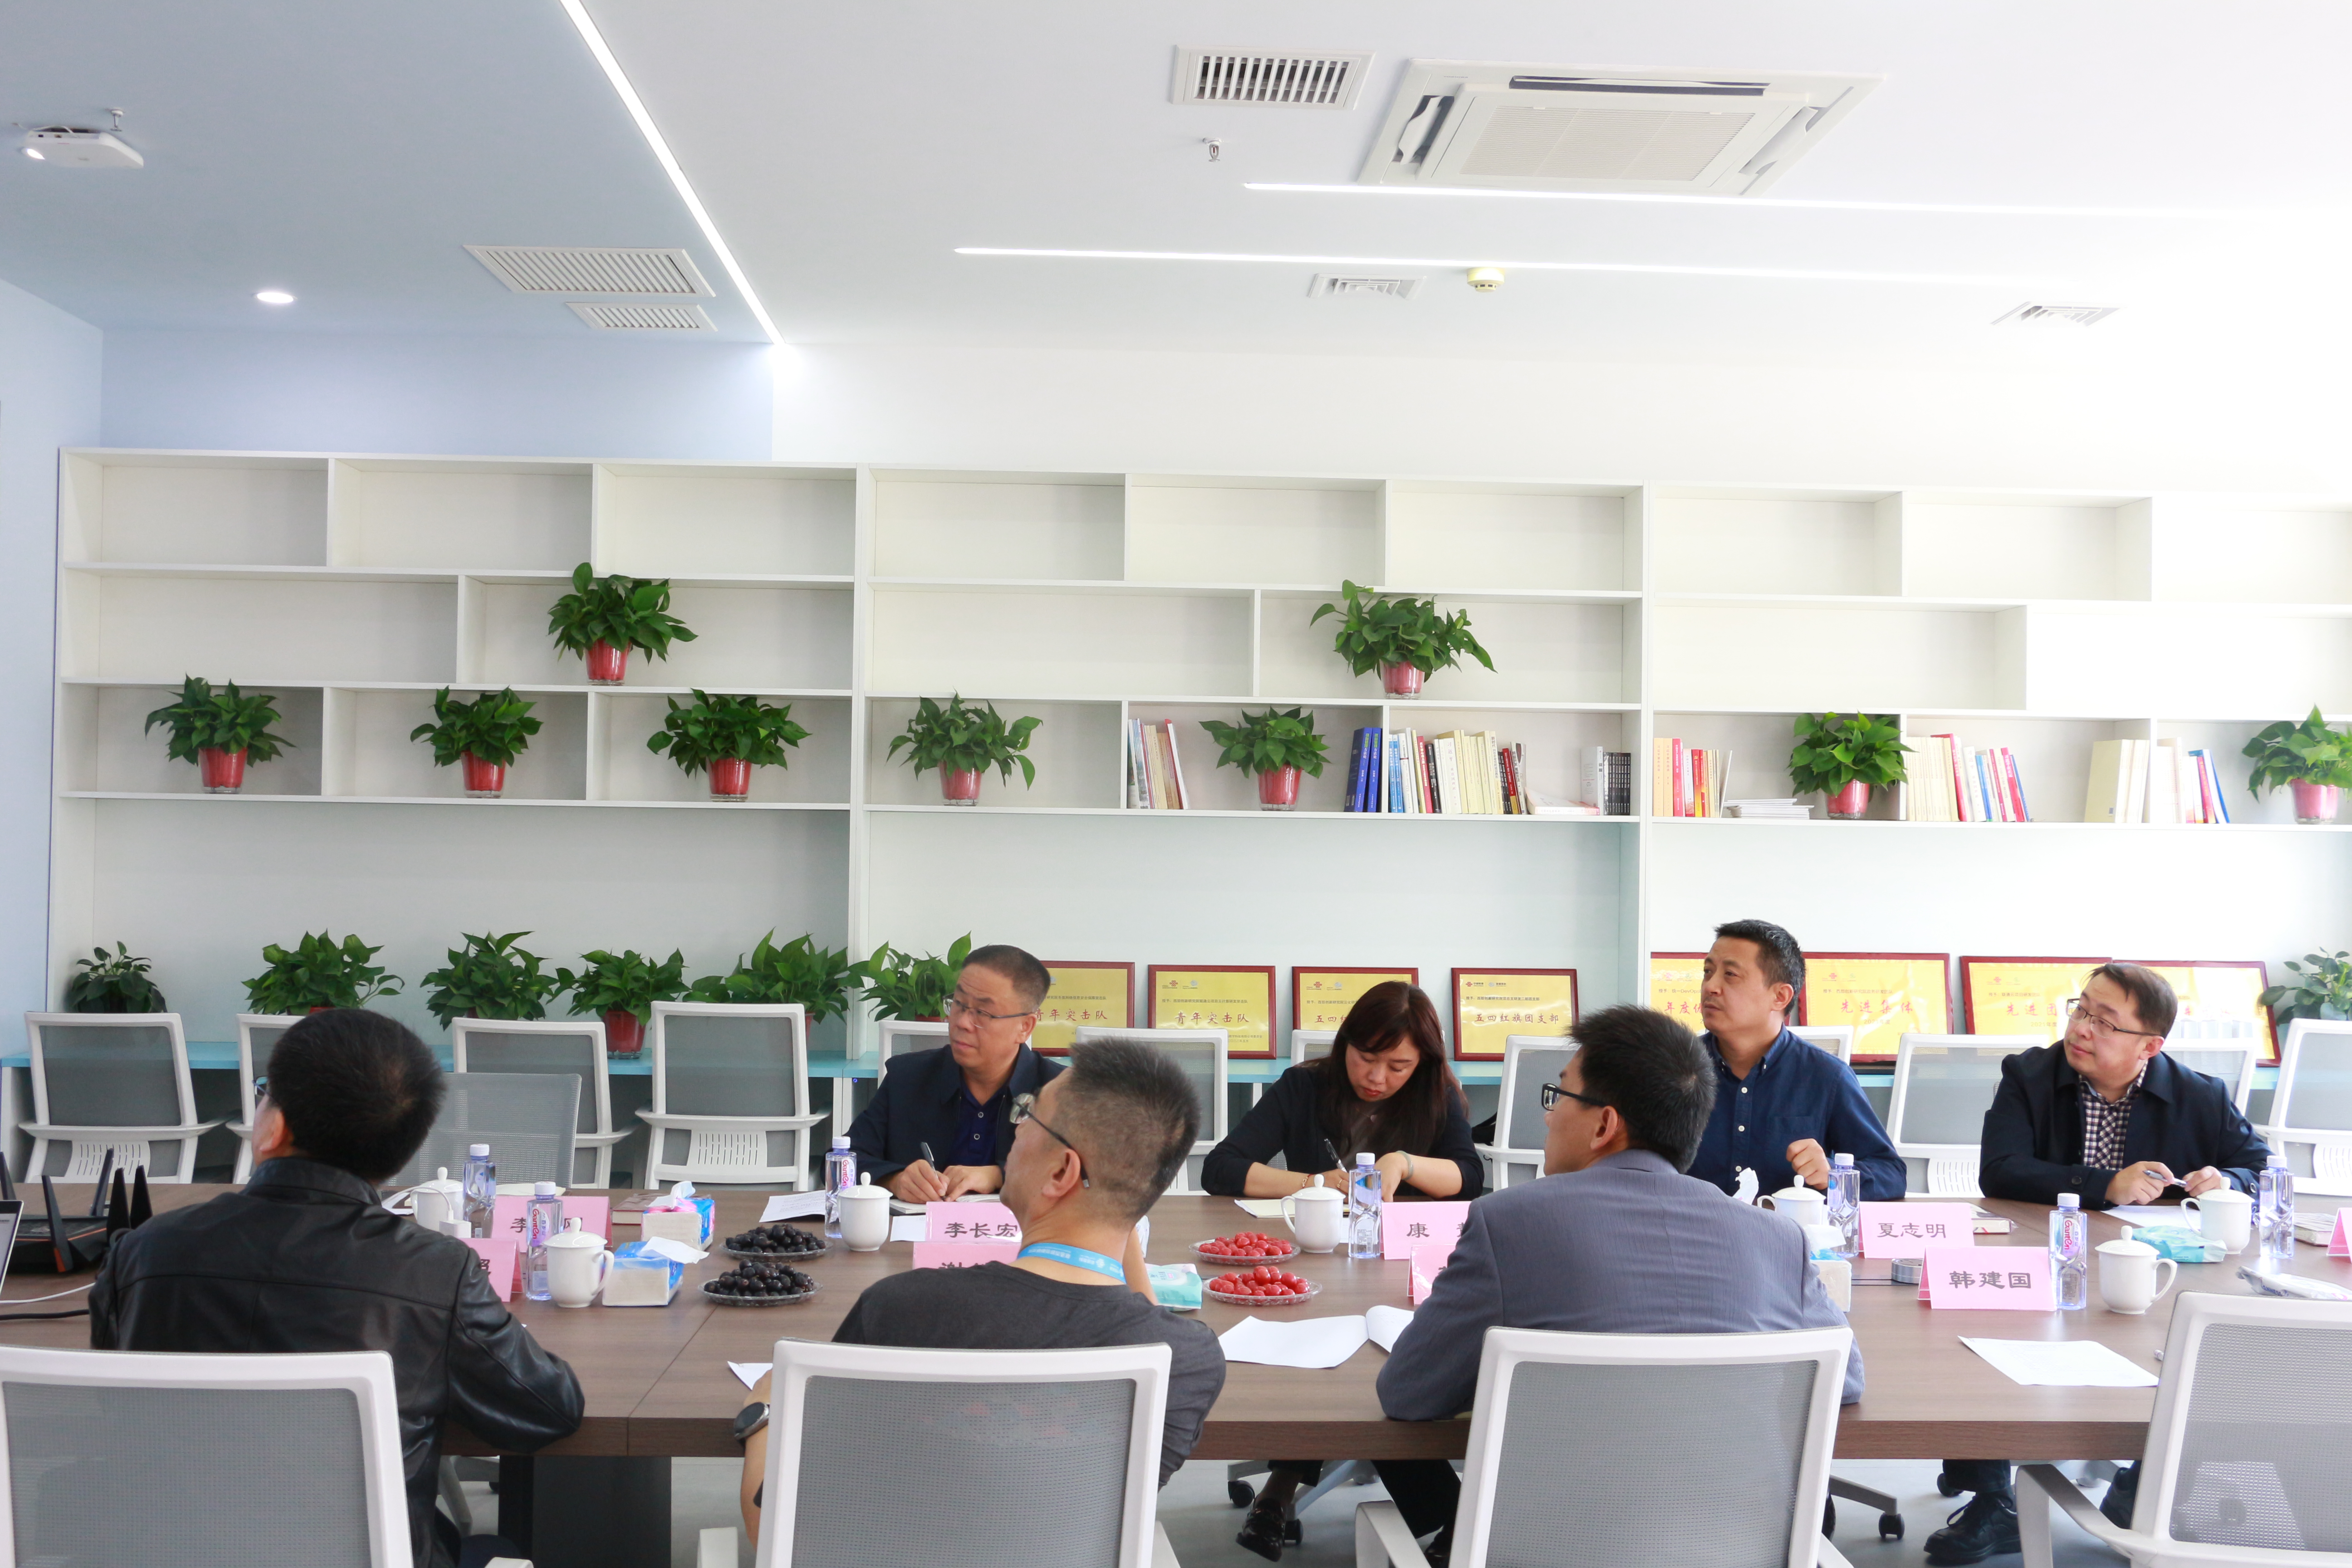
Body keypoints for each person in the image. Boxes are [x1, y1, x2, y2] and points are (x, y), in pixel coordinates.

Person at [90, 1009, 584, 1568]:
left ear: (274, 1128)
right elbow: (549, 1409)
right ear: (404, 1148)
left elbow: (114, 1397)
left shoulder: (145, 1251)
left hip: (169, 1551)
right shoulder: (433, 1271)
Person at [1377, 1004, 1862, 1564]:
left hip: (1549, 1547)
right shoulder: (1778, 1239)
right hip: (1731, 1544)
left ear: (1605, 1125)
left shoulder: (1507, 1223)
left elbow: (1408, 1393)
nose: (1549, 1119)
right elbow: (1846, 1381)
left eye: (1560, 1097)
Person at [736, 1038, 1225, 1540]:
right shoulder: (1189, 1362)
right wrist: (1123, 1211)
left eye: (1029, 1116)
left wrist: (767, 1409)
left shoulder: (904, 1309)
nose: (1016, 1128)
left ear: (1062, 1171)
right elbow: (1142, 1327)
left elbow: (774, 1528)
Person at [1926, 962, 2272, 1565]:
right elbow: (1999, 1170)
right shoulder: (2030, 1075)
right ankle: (1993, 1499)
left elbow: (2261, 1168)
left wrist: (2229, 1179)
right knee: (1977, 1324)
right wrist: (2103, 1185)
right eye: (2081, 1009)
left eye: (2105, 1022)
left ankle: (2142, 1486)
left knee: (2196, 1345)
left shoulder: (2200, 1095)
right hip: (2039, 1254)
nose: (2082, 1028)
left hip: (2153, 1270)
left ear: (2150, 1047)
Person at [1200, 980, 1482, 1562]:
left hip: (1400, 1270)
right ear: (1344, 1043)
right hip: (1318, 1264)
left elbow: (1469, 1178)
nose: (1377, 1077)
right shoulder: (1306, 1086)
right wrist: (1313, 1182)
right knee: (1330, 1356)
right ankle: (1450, 1522)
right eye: (1365, 1057)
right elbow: (1222, 1169)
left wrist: (1406, 1164)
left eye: (1398, 1066)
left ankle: (1282, 1488)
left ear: (1423, 1063)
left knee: (1387, 1371)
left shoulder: (1437, 1095)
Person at [1688, 918, 1906, 1201]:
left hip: (1785, 1230)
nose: (1711, 986)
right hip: (1689, 1228)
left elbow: (1891, 1173)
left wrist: (1833, 1175)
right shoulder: (1674, 1068)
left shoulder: (1826, 1076)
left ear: (1780, 996)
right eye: (1708, 972)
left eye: (1730, 974)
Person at [848, 942, 1063, 1201]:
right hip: (916, 1227)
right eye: (959, 1004)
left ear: (1025, 1027)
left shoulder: (1061, 1091)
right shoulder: (908, 1077)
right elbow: (846, 1158)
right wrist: (894, 1179)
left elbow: (1092, 1176)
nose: (961, 1023)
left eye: (982, 1013)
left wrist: (1001, 1174)